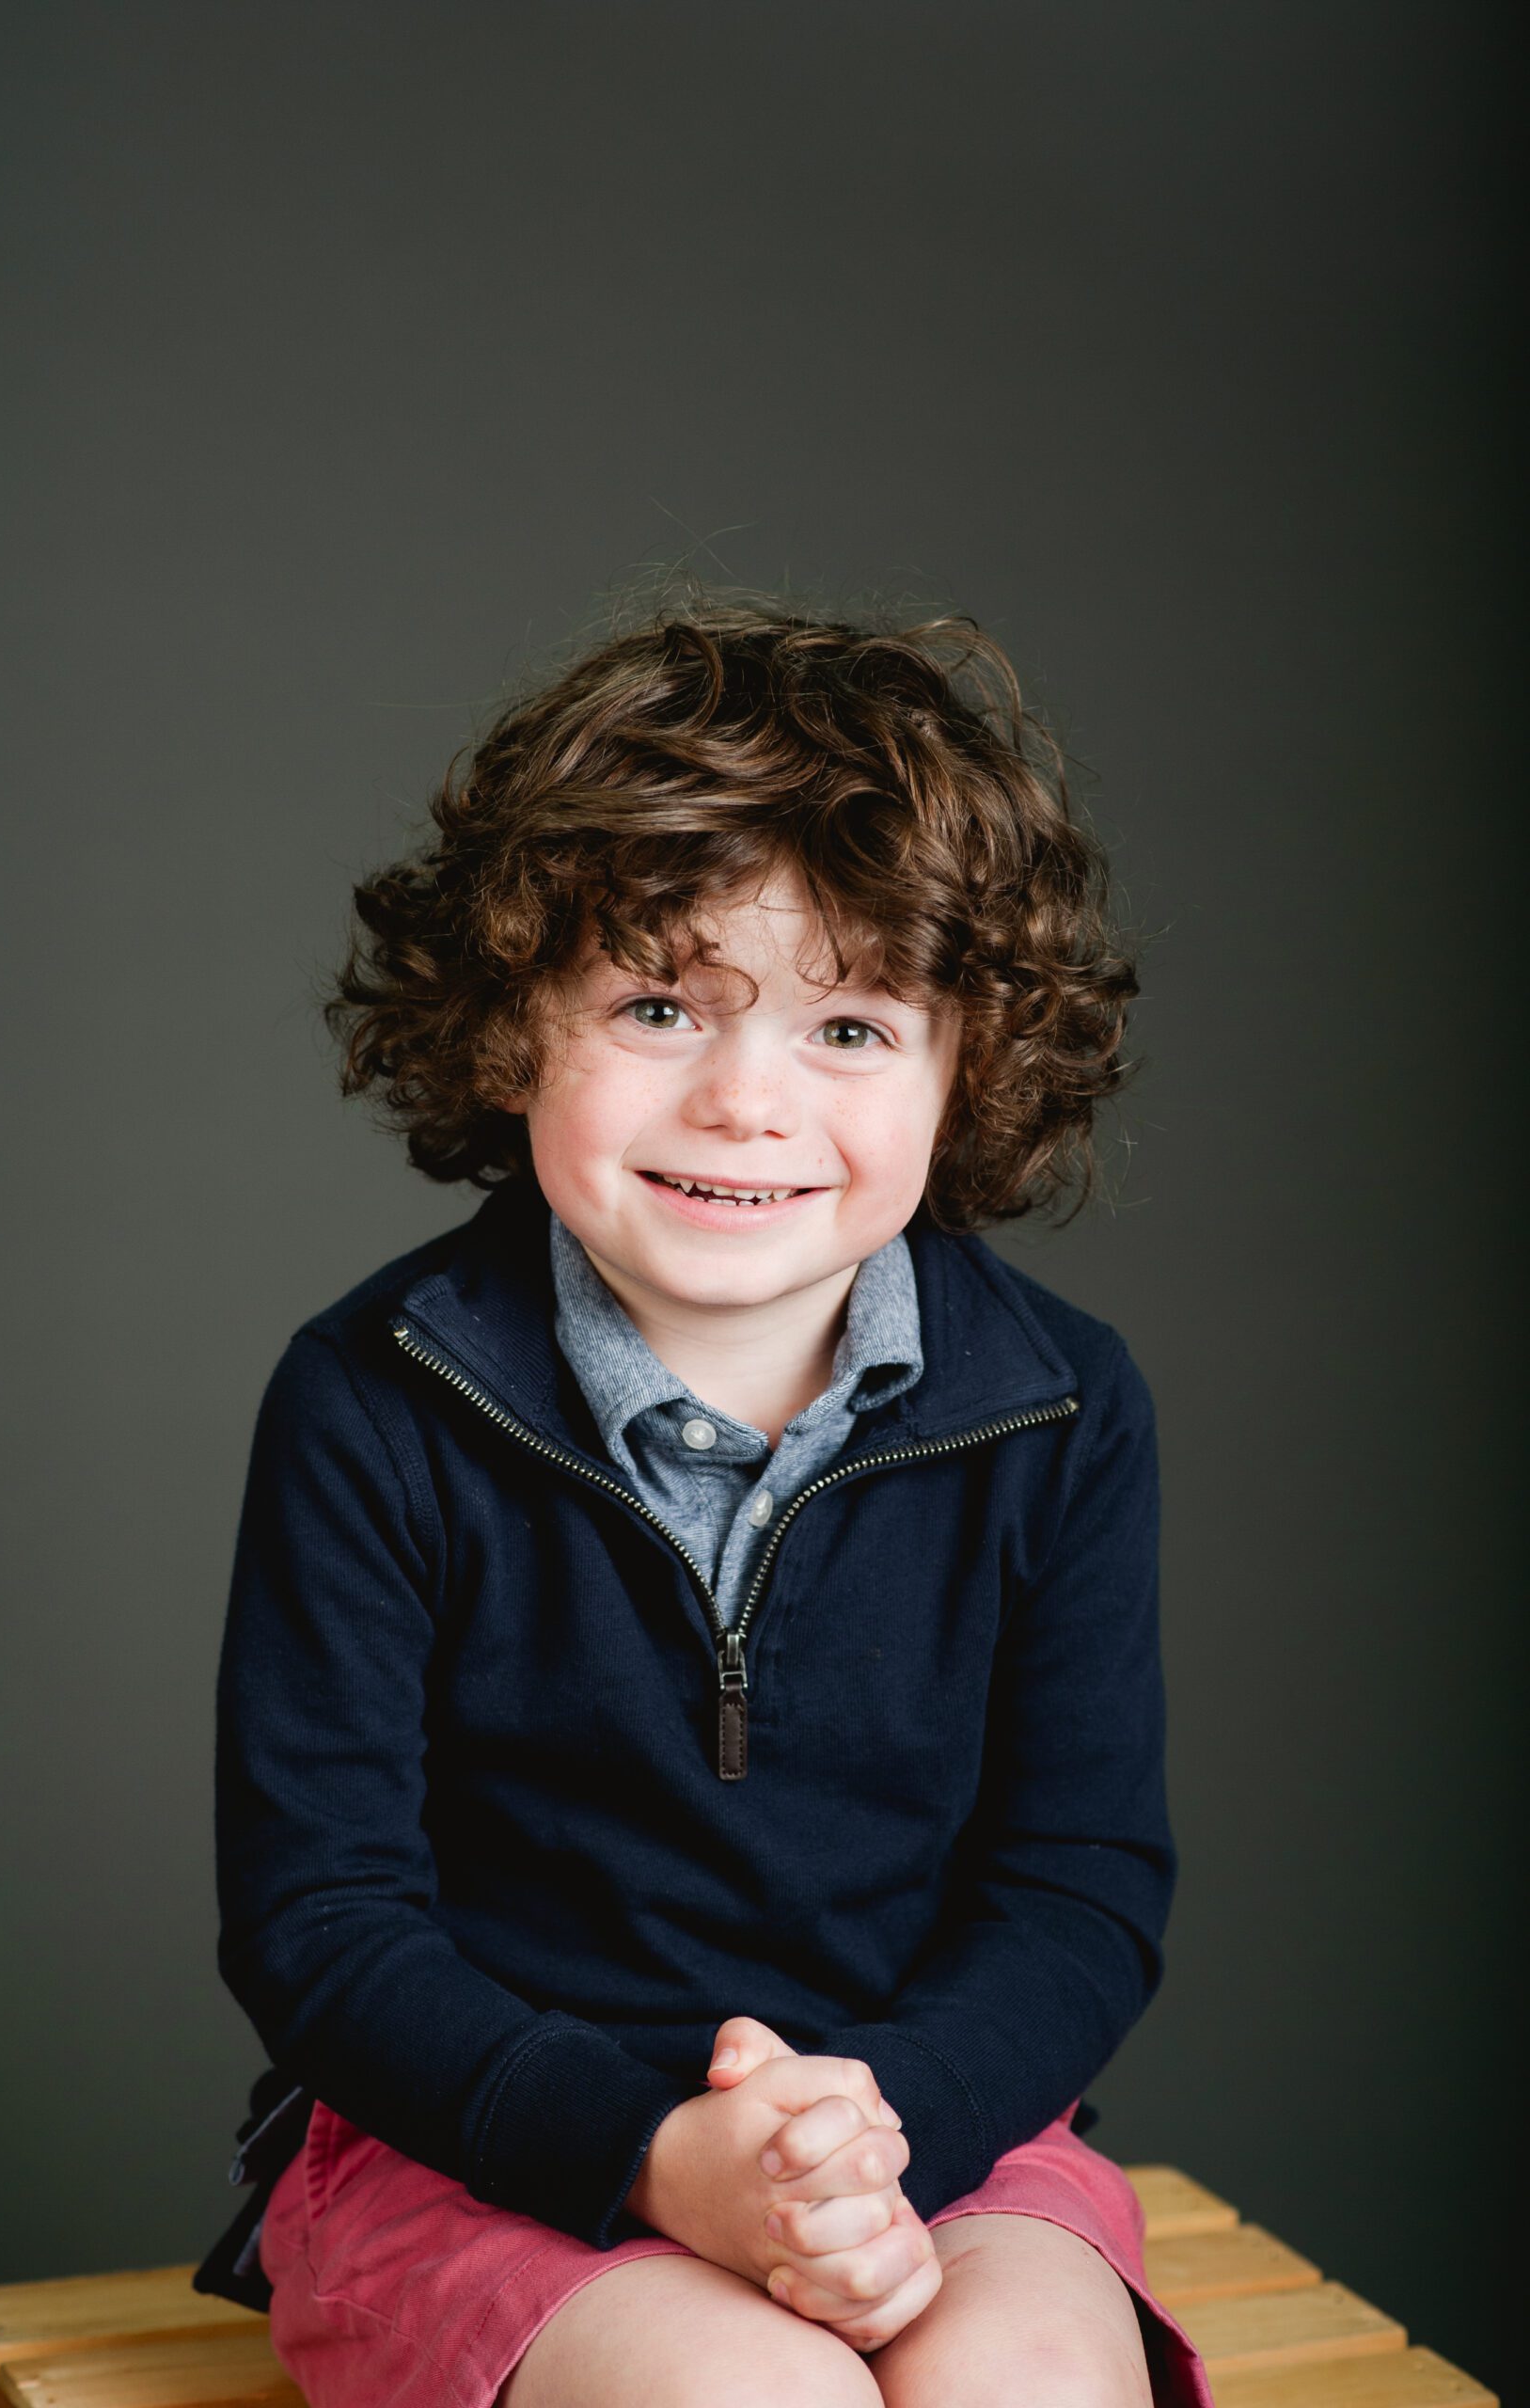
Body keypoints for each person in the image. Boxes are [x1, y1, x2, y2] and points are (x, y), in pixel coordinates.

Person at [193, 596, 1213, 2406]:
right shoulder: (373, 1398)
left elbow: (1080, 1890)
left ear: (969, 1058)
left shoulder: (1064, 1409)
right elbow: (324, 1922)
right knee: (758, 2402)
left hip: (924, 2141)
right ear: (514, 1028)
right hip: (483, 2149)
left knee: (1032, 2390)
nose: (745, 1100)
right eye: (660, 1003)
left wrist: (869, 2143)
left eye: (849, 1026)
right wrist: (667, 2160)